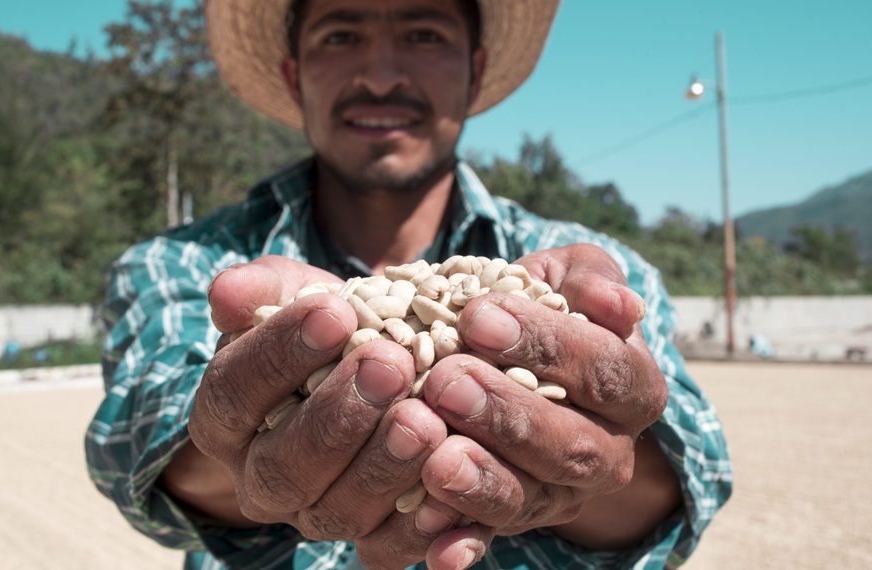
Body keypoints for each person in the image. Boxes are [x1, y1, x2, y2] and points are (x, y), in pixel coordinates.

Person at [85, 0, 732, 568]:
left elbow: (693, 471)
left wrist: (601, 454)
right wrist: (234, 446)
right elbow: (135, 438)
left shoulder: (596, 270)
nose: (382, 75)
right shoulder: (187, 264)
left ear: (475, 72)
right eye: (340, 35)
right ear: (293, 74)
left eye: (424, 34)